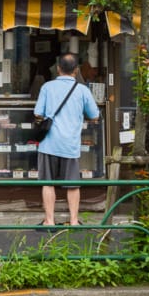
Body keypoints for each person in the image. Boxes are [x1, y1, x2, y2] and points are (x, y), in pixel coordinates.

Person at [34, 52, 100, 227]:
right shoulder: (82, 90)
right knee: (72, 185)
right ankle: (73, 220)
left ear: (58, 69)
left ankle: (49, 220)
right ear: (76, 70)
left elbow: (38, 113)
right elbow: (94, 115)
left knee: (48, 183)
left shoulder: (47, 87)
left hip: (49, 143)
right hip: (70, 144)